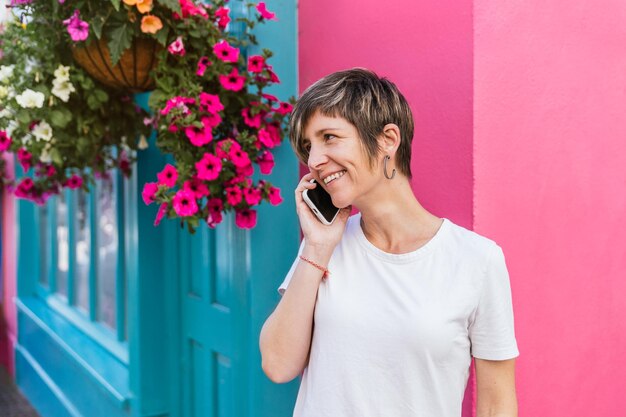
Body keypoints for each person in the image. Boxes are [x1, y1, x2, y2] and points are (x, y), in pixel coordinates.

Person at [259, 68, 519, 417]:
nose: (315, 160)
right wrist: (316, 247)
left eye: (329, 137)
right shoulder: (324, 247)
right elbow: (277, 365)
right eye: (309, 146)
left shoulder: (477, 259)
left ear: (388, 140)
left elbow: (496, 405)